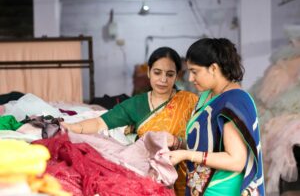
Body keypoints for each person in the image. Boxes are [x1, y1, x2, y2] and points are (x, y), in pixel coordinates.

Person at [60, 46, 198, 195]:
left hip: (188, 177)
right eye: (157, 73)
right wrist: (71, 127)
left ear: (177, 76)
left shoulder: (190, 102)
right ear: (148, 71)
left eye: (169, 74)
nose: (163, 80)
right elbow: (100, 123)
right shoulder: (137, 104)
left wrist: (177, 142)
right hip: (150, 179)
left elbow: (204, 141)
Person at [166, 38, 265, 196]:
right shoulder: (207, 96)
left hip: (223, 190)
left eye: (194, 71)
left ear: (213, 68)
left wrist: (186, 155)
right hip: (201, 187)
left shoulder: (234, 101)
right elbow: (207, 145)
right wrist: (175, 142)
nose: (190, 78)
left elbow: (236, 161)